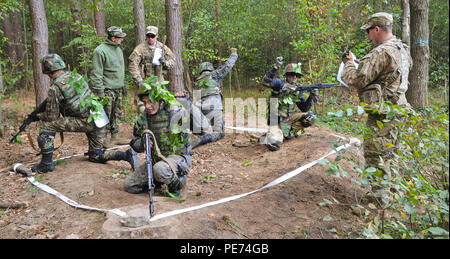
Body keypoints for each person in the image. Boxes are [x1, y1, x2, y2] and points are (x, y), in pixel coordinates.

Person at [341, 12, 413, 202]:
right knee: (392, 154)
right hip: (400, 110)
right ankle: (394, 195)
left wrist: (349, 63)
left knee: (376, 155)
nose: (369, 36)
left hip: (383, 114)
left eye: (369, 31)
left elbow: (356, 79)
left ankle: (378, 201)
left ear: (377, 29)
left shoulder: (381, 52)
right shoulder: (402, 49)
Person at [31, 54, 140, 173]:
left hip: (86, 121)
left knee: (47, 125)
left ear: (48, 72)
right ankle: (125, 155)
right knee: (95, 155)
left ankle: (46, 164)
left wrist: (37, 116)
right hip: (98, 118)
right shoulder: (76, 76)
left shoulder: (55, 87)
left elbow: (52, 117)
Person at [124, 84, 191, 196]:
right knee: (130, 185)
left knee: (160, 169)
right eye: (145, 103)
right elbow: (134, 141)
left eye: (150, 102)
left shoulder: (173, 109)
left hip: (177, 157)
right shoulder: (144, 117)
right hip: (156, 160)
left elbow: (193, 122)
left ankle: (177, 183)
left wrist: (185, 100)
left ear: (159, 99)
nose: (148, 106)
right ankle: (158, 180)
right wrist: (142, 143)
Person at [259, 62, 319, 151]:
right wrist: (275, 68)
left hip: (289, 119)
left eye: (297, 75)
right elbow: (265, 82)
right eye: (292, 74)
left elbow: (304, 108)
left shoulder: (298, 88)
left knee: (310, 118)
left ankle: (285, 132)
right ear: (287, 75)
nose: (294, 77)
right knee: (275, 144)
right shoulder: (279, 83)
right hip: (277, 120)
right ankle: (271, 135)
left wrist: (311, 96)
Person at [190, 48, 238, 148]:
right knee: (219, 133)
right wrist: (234, 54)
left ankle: (204, 132)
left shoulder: (196, 83)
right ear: (211, 68)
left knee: (208, 128)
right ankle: (202, 140)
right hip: (214, 107)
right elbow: (227, 66)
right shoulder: (214, 75)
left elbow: (196, 102)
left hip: (202, 111)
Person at [91, 26, 128, 147]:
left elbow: (119, 69)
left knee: (117, 114)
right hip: (107, 90)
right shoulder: (100, 51)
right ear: (112, 38)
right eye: (119, 37)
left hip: (118, 88)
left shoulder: (118, 49)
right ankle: (103, 139)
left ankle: (115, 136)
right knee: (105, 115)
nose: (122, 39)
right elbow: (96, 73)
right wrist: (100, 92)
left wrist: (124, 85)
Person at [128, 25, 176, 114]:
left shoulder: (163, 48)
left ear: (157, 36)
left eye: (152, 36)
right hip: (145, 82)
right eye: (148, 36)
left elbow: (173, 61)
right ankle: (143, 125)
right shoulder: (140, 48)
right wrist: (139, 81)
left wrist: (165, 62)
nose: (150, 38)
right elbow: (133, 65)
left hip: (159, 81)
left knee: (164, 103)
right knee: (142, 106)